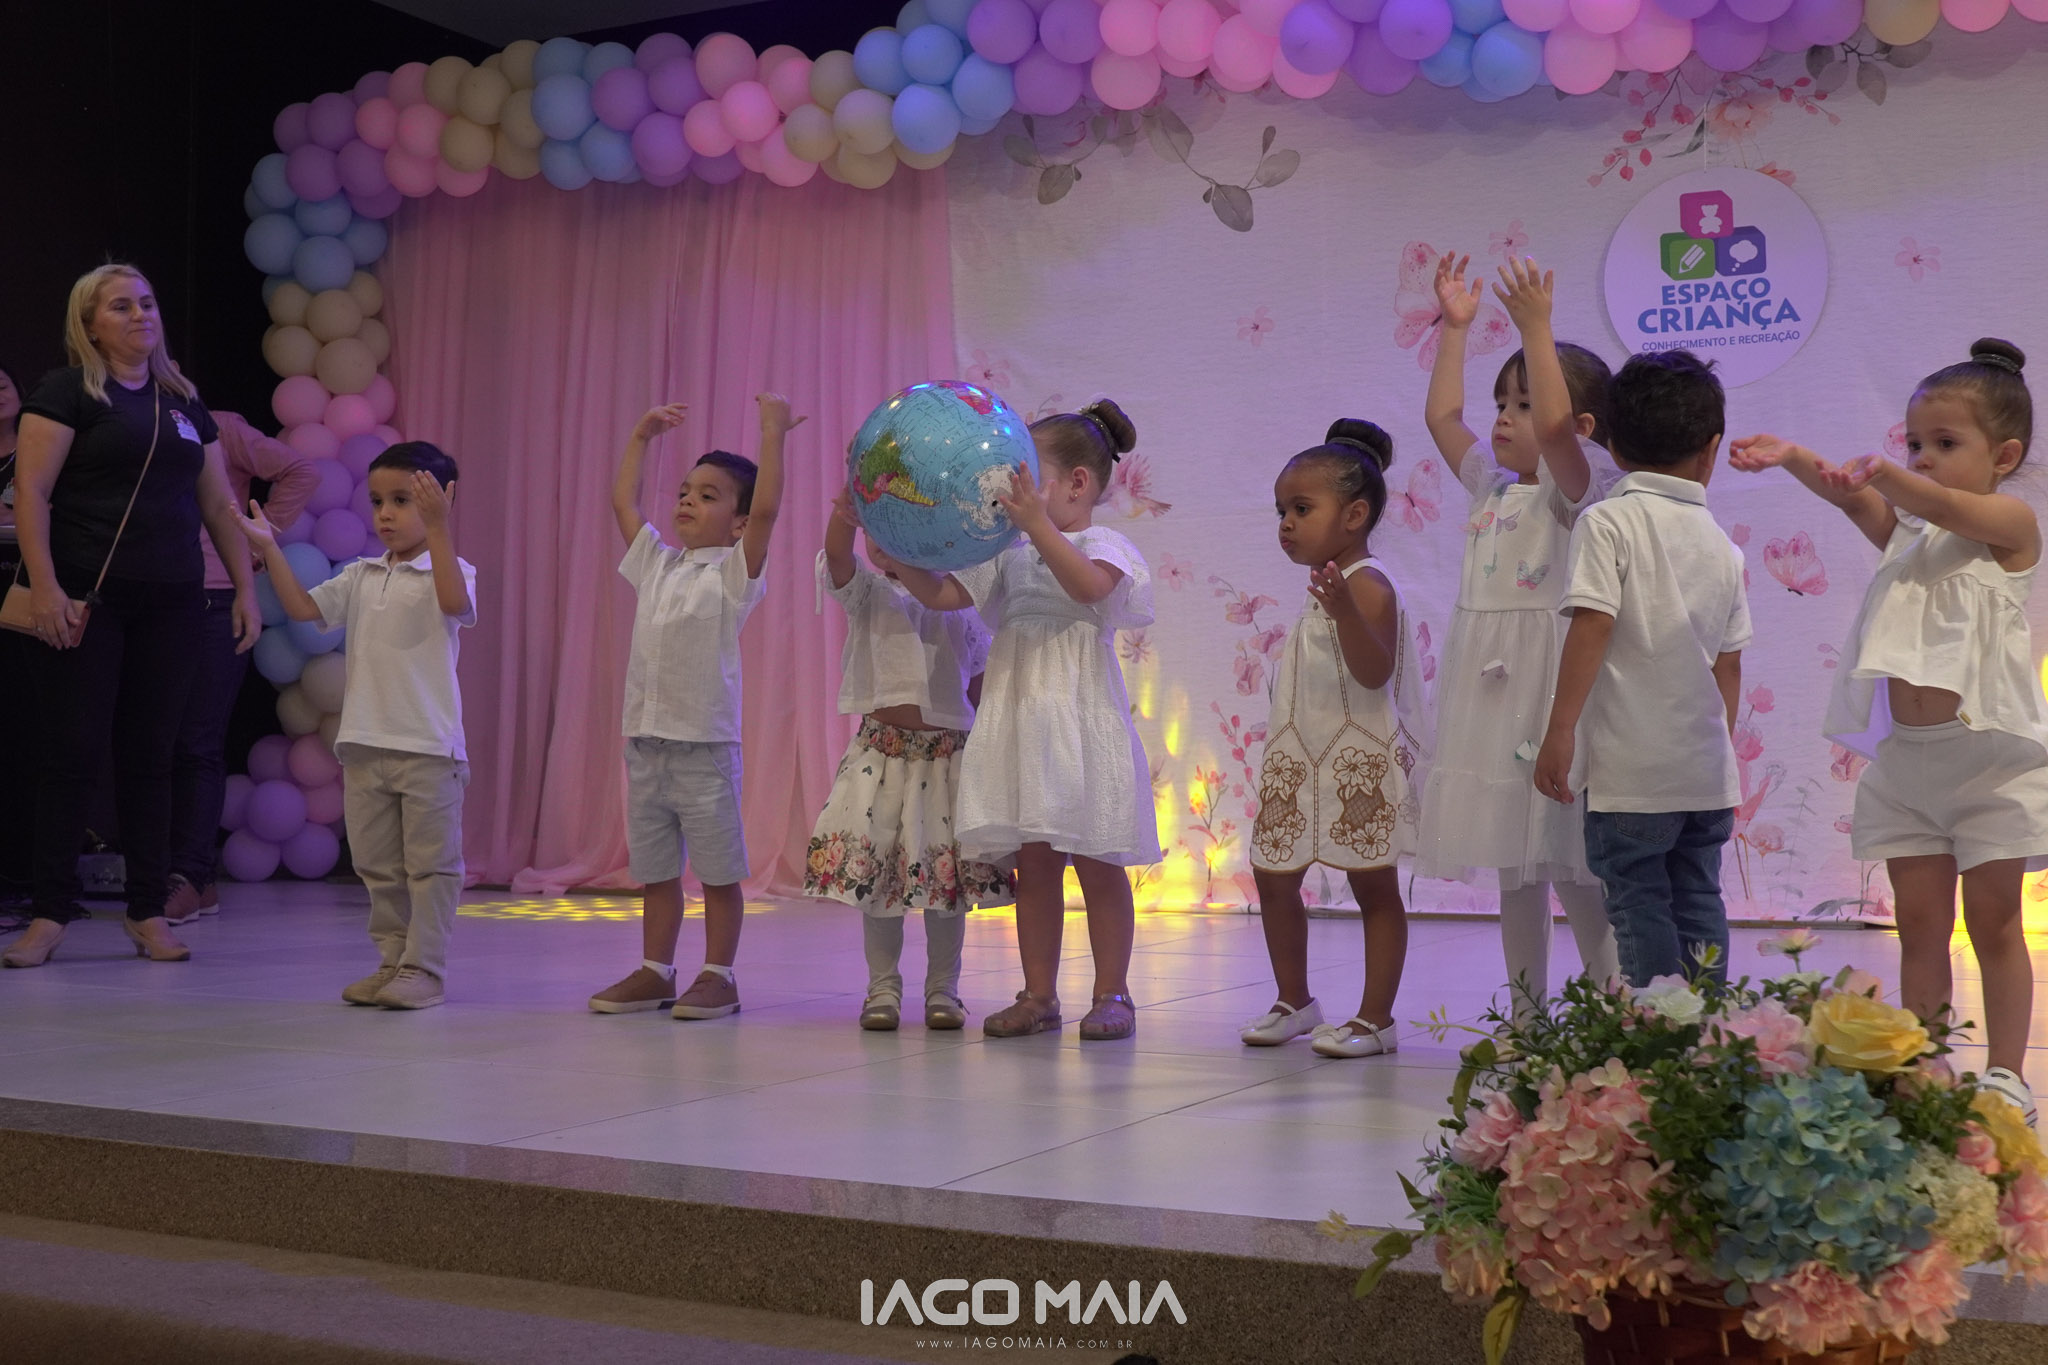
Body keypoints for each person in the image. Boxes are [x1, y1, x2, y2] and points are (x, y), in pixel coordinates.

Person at [1729, 339, 2045, 1126]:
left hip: (1991, 766)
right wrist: (1795, 458)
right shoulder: (1909, 535)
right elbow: (1853, 497)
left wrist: (1891, 476)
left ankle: (2007, 1074)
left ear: (2004, 456)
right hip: (1909, 768)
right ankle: (1926, 1065)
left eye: (1945, 442)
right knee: (1921, 927)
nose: (1923, 457)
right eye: (1914, 443)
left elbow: (1938, 504)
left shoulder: (2010, 525)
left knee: (1996, 923)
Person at [2, 266, 260, 969]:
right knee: (71, 755)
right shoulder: (67, 392)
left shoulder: (183, 399)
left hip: (172, 602)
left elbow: (218, 505)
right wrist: (47, 587)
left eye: (147, 302)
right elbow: (32, 492)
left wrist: (245, 588)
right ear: (89, 324)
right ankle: (50, 914)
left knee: (153, 757)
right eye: (121, 306)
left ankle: (147, 911)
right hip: (86, 599)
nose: (141, 314)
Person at [876, 401, 1157, 1042]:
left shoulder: (1103, 545)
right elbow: (946, 596)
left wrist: (1036, 527)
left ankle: (1113, 992)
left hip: (1080, 722)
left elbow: (1089, 588)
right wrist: (901, 561)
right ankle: (1038, 994)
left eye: (1025, 475)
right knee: (1037, 864)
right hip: (1023, 722)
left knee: (1099, 860)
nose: (1009, 490)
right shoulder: (1009, 553)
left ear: (1077, 484)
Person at [1414, 254, 1620, 1016]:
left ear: (1580, 429)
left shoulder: (1579, 494)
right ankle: (1528, 1018)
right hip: (1491, 703)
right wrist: (1455, 331)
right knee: (1515, 869)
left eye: (1524, 404)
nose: (1503, 417)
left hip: (1548, 696)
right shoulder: (1491, 485)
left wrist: (1538, 328)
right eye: (1502, 401)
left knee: (1576, 867)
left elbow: (1561, 434)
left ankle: (1615, 1009)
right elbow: (1443, 419)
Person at [1533, 350, 1751, 989]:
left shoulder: (1607, 521)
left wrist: (1560, 729)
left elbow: (1592, 624)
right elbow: (1729, 663)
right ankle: (1710, 1027)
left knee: (1639, 901)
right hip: (1705, 773)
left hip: (1631, 774)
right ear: (1711, 450)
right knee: (1699, 897)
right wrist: (1715, 750)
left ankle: (1659, 1032)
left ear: (1613, 446)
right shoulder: (1723, 545)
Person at [233, 443, 475, 1010]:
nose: (386, 513)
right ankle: (393, 961)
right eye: (378, 501)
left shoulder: (451, 568)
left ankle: (425, 968)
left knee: (431, 866)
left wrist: (439, 528)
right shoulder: (362, 575)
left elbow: (453, 602)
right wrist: (269, 548)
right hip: (365, 744)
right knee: (377, 865)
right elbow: (303, 610)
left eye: (402, 501)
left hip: (428, 746)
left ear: (443, 500)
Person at [587, 395, 800, 1020]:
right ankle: (656, 971)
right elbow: (622, 504)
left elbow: (768, 510)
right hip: (645, 743)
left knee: (717, 872)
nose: (687, 501)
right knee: (655, 871)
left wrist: (772, 434)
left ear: (737, 523)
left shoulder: (734, 573)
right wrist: (640, 437)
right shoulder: (656, 565)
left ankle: (719, 975)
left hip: (703, 749)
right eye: (684, 491)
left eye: (708, 496)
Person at [1242, 421, 1433, 1057]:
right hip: (1301, 755)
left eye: (1302, 509)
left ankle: (1376, 1018)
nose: (1286, 524)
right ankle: (1294, 1000)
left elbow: (1374, 671)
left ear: (1355, 515)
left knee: (1372, 883)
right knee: (1273, 873)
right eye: (1281, 511)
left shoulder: (1368, 584)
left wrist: (1347, 610)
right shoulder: (1325, 582)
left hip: (1357, 759)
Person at [804, 489, 1012, 1031]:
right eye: (878, 530)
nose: (886, 541)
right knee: (878, 882)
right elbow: (838, 557)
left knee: (946, 884)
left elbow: (979, 689)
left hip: (946, 761)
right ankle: (882, 988)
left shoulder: (961, 607)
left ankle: (944, 988)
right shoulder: (869, 593)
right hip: (882, 757)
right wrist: (844, 514)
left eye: (901, 529)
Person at [165, 411, 317, 925]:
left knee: (197, 740)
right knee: (151, 739)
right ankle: (175, 873)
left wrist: (256, 540)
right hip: (145, 594)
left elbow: (300, 470)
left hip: (214, 594)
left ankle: (190, 875)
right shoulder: (125, 421)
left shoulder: (218, 425)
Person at [0, 362, 32, 912]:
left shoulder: (36, 450)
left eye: (2, 382)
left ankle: (23, 877)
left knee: (20, 738)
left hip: (21, 602)